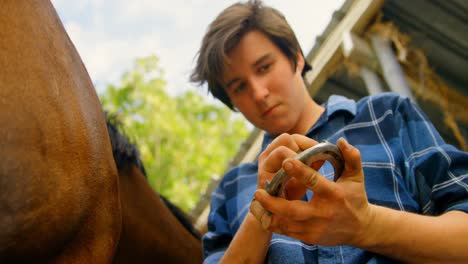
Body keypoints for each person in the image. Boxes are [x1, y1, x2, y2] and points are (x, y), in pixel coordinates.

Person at [190, 0, 468, 263]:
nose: (259, 93)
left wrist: (368, 225)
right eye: (239, 87)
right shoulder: (231, 189)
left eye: (264, 67)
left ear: (297, 59)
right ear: (233, 103)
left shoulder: (386, 116)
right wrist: (264, 205)